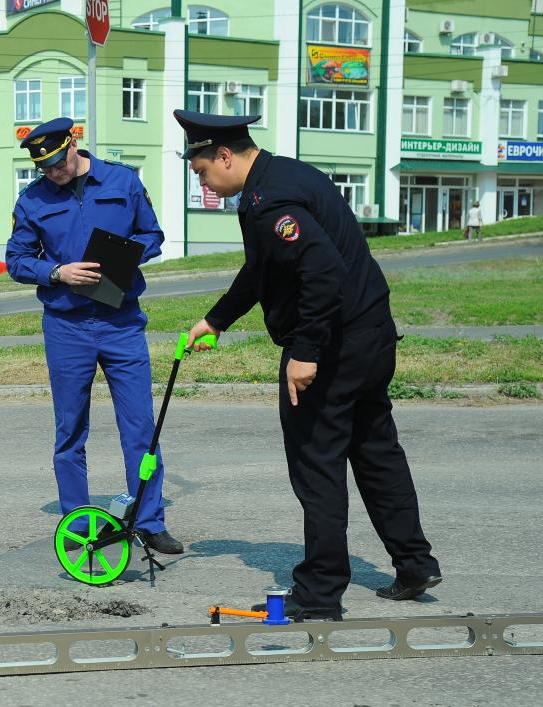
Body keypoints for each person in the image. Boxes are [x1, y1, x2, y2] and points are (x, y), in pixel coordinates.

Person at [172, 111, 442, 621]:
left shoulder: (269, 201)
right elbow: (264, 268)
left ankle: (319, 594)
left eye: (203, 171)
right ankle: (414, 563)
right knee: (375, 449)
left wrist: (305, 352)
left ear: (225, 156)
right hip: (371, 335)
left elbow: (322, 271)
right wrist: (217, 318)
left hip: (333, 346)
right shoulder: (287, 174)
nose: (204, 182)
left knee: (317, 466)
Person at [5, 117, 183, 555]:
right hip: (66, 327)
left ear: (73, 143)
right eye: (43, 168)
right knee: (70, 430)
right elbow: (16, 260)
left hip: (121, 322)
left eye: (57, 163)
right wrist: (56, 271)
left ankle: (149, 520)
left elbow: (153, 234)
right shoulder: (32, 200)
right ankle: (77, 524)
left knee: (140, 426)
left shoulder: (122, 181)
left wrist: (122, 258)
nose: (53, 173)